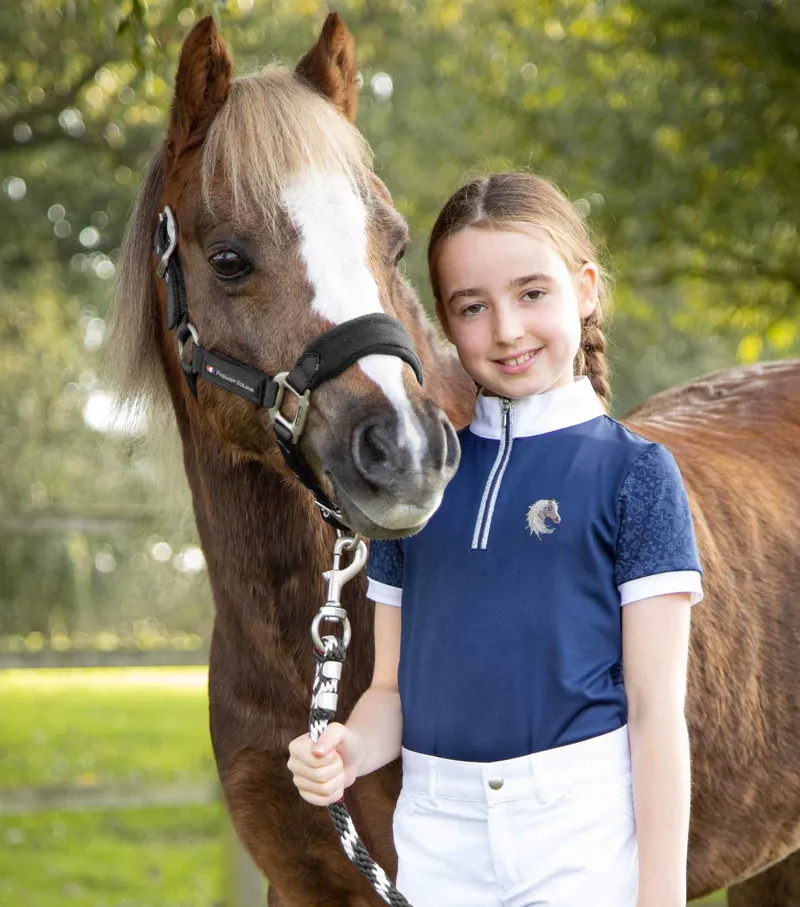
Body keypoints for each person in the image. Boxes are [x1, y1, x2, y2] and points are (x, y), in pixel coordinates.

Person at [287, 171, 703, 907]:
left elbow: (655, 712)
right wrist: (347, 750)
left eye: (532, 293)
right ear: (446, 325)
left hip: (580, 830)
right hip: (437, 833)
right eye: (472, 307)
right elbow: (389, 693)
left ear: (585, 288)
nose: (507, 329)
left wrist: (662, 897)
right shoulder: (418, 479)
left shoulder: (635, 474)